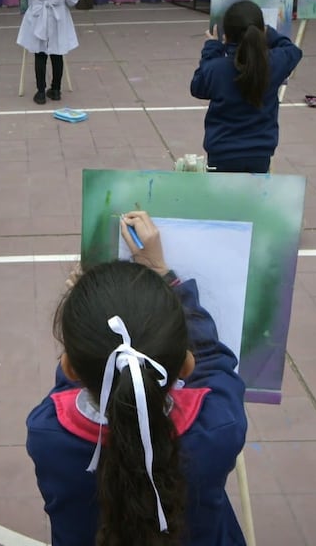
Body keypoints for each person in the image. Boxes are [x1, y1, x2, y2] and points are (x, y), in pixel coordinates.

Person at [27, 211, 248, 546]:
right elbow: (215, 362)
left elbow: (71, 389)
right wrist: (166, 276)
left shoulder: (46, 434)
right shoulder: (218, 426)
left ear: (69, 366)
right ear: (186, 364)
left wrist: (91, 308)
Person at [190, 0, 303, 173]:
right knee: (254, 199)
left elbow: (198, 87)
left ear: (226, 35)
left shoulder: (216, 68)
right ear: (260, 32)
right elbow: (293, 51)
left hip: (222, 152)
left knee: (223, 199)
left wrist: (212, 49)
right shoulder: (273, 63)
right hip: (260, 153)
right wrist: (268, 33)